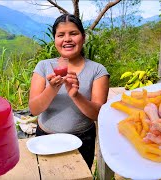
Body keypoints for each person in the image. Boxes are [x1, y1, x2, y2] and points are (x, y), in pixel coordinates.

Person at [28, 14, 110, 169]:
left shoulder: (97, 70)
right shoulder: (44, 66)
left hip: (82, 140)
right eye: (61, 35)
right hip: (45, 139)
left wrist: (76, 95)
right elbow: (34, 109)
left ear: (83, 37)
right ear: (55, 40)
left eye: (73, 33)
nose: (67, 39)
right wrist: (51, 89)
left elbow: (98, 114)